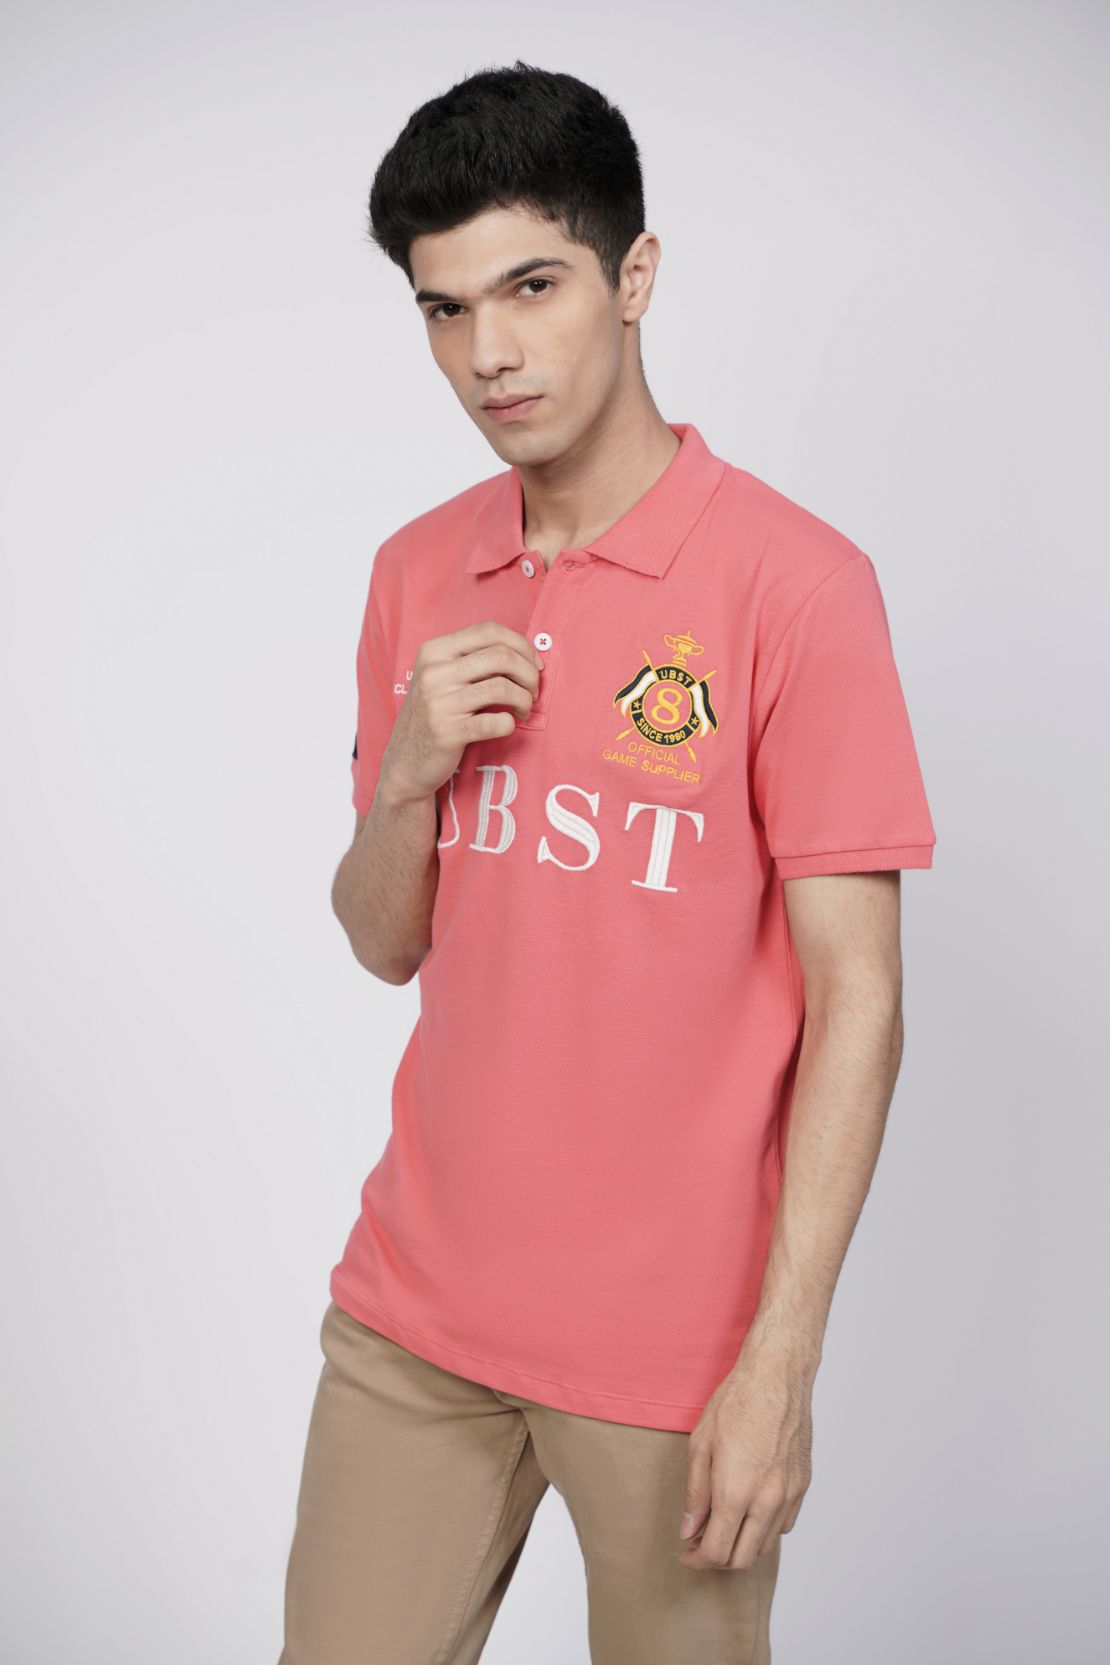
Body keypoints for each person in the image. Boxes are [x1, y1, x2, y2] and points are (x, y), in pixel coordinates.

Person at [278, 59, 937, 1665]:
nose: (489, 354)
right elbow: (382, 937)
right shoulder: (417, 570)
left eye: (532, 287)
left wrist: (780, 1357)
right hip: (415, 1315)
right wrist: (409, 775)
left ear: (631, 276)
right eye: (443, 310)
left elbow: (857, 998)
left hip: (674, 1358)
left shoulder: (795, 584)